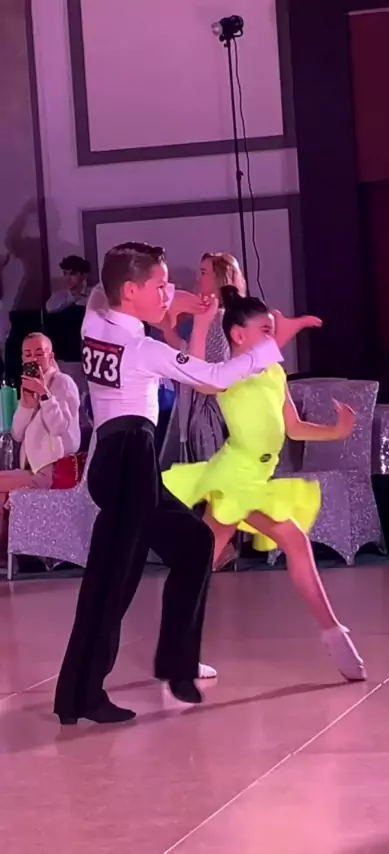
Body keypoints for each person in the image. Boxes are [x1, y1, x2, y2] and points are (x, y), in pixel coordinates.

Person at [53, 241, 290, 727]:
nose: (169, 292)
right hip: (130, 461)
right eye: (160, 285)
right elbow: (214, 379)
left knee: (194, 543)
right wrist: (267, 348)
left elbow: (109, 289)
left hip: (117, 461)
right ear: (131, 291)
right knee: (115, 580)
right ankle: (85, 695)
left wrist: (187, 304)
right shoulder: (143, 349)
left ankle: (174, 666)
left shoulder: (94, 319)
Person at [163, 287, 366, 682]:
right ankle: (333, 632)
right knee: (291, 542)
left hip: (257, 478)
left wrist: (337, 431)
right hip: (236, 477)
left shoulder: (274, 372)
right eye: (265, 330)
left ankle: (177, 651)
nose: (273, 339)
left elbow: (293, 427)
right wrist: (202, 324)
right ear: (238, 335)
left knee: (200, 563)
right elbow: (201, 379)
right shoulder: (229, 373)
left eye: (273, 331)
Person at [1, 333, 81, 551]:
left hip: (53, 470)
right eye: (28, 355)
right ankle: (9, 559)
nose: (33, 359)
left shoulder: (63, 383)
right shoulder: (28, 386)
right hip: (31, 469)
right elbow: (17, 434)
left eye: (39, 353)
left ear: (50, 356)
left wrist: (45, 395)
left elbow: (59, 428)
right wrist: (26, 405)